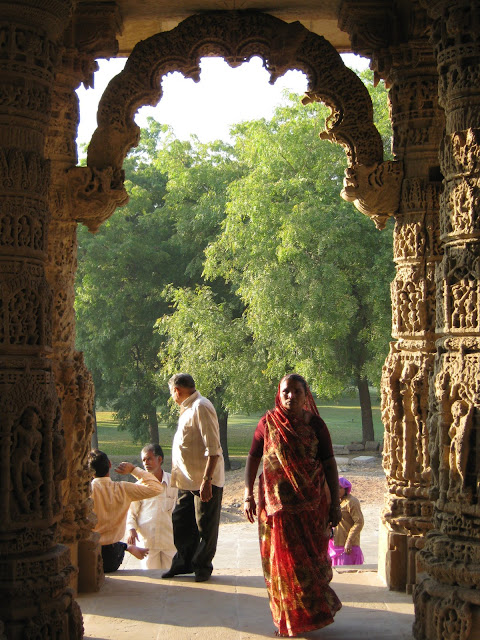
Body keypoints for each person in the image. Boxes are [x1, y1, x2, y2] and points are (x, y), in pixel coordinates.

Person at [244, 373, 342, 638]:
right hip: (278, 511)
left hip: (312, 509)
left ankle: (313, 614)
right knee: (281, 565)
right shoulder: (268, 423)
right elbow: (253, 458)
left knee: (311, 563)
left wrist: (335, 503)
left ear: (306, 394)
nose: (291, 396)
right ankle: (286, 620)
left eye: (297, 391)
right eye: (287, 391)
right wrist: (247, 495)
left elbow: (330, 463)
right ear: (279, 393)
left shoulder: (317, 425)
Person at [162, 373, 225, 583]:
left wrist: (207, 481)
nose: (172, 396)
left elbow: (213, 448)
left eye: (172, 392)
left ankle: (202, 567)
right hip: (186, 480)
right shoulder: (188, 408)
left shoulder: (201, 407)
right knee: (181, 520)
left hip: (204, 480)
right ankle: (183, 562)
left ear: (177, 390)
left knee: (205, 525)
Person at [89, 449, 163, 573]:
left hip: (89, 553)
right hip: (112, 557)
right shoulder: (122, 488)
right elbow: (157, 488)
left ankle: (127, 547)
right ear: (110, 464)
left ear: (90, 471)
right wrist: (134, 470)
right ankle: (126, 547)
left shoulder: (86, 491)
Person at [126, 443, 178, 569]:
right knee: (152, 581)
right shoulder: (139, 486)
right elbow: (132, 513)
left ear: (159, 459)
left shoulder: (174, 483)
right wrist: (131, 529)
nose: (146, 463)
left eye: (149, 458)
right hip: (148, 541)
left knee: (172, 580)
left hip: (170, 541)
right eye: (143, 460)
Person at [328, 476, 364, 566]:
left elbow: (359, 522)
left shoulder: (352, 502)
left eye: (340, 488)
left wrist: (349, 541)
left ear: (346, 489)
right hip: (335, 545)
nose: (337, 490)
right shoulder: (336, 502)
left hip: (347, 547)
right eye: (335, 488)